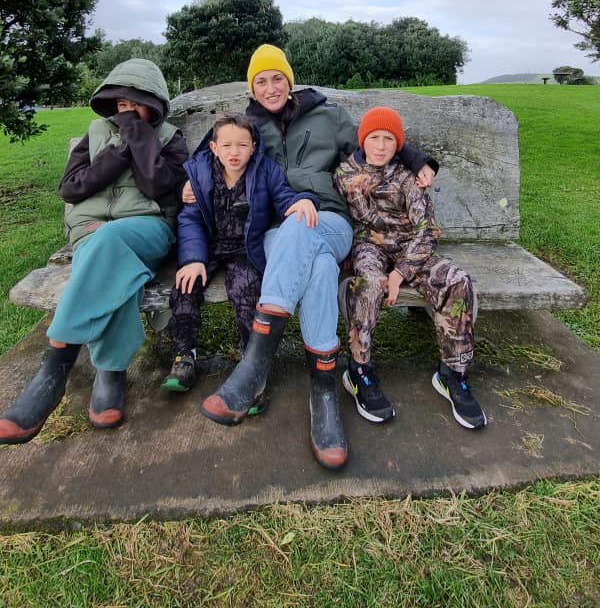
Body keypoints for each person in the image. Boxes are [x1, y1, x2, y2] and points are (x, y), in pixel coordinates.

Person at [197, 44, 438, 470]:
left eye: (277, 78)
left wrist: (417, 158)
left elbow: (375, 144)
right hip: (273, 229)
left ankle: (255, 366)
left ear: (289, 80)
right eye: (260, 81)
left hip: (331, 220)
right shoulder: (248, 124)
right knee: (320, 266)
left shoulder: (328, 116)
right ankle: (324, 393)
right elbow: (206, 156)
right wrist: (190, 186)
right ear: (252, 88)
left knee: (308, 235)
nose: (270, 87)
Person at [0, 58, 188, 445]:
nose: (126, 112)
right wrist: (116, 154)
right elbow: (70, 188)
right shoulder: (94, 133)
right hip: (90, 229)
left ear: (153, 104)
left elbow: (158, 188)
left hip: (147, 229)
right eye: (120, 105)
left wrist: (138, 141)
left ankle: (55, 365)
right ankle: (110, 370)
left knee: (110, 244)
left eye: (135, 105)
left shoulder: (170, 138)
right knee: (109, 257)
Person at [333, 106, 486, 430]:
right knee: (368, 285)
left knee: (457, 281)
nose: (381, 145)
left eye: (389, 139)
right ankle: (359, 370)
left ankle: (452, 374)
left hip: (410, 247)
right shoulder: (344, 174)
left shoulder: (407, 176)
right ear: (363, 140)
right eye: (374, 137)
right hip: (368, 246)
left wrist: (400, 272)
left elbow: (427, 230)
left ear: (398, 144)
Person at [161, 113, 319, 394]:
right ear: (214, 148)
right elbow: (190, 219)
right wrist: (193, 259)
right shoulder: (200, 173)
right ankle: (185, 355)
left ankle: (251, 363)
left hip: (245, 248)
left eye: (242, 145)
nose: (234, 153)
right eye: (227, 146)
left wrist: (303, 200)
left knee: (247, 292)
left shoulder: (265, 171)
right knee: (185, 287)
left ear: (254, 146)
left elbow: (283, 196)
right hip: (207, 247)